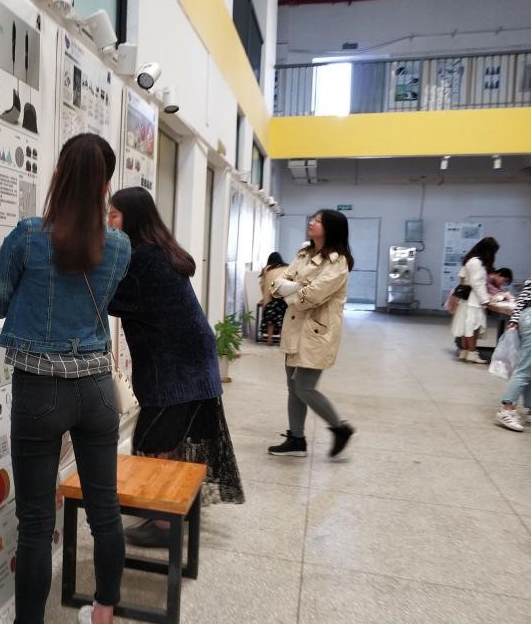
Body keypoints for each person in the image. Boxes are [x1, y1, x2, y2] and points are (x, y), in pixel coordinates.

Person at [0, 134, 131, 624]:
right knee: (105, 510)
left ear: (59, 176)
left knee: (35, 524)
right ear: (105, 185)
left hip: (39, 392)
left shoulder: (29, 236)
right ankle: (103, 613)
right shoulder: (119, 246)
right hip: (96, 391)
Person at [106, 187, 244, 548]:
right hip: (189, 361)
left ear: (132, 218)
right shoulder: (157, 249)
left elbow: (110, 300)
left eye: (114, 214)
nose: (109, 221)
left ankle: (165, 524)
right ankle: (170, 511)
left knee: (153, 440)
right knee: (172, 437)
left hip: (176, 367)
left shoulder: (143, 258)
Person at [266, 210, 355, 459]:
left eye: (318, 221)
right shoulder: (304, 254)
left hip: (316, 332)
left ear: (331, 228)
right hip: (294, 327)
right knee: (293, 388)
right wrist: (297, 287)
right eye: (313, 219)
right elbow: (276, 283)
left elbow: (312, 296)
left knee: (304, 388)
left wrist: (291, 290)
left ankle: (340, 429)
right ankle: (296, 439)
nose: (312, 222)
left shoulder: (338, 262)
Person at [494, 267, 531, 432]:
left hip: (530, 315)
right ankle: (507, 409)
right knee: (527, 366)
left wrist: (515, 318)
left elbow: (525, 294)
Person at [450, 237, 500, 364]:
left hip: (469, 298)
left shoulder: (471, 260)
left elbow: (465, 280)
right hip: (473, 300)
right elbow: (477, 283)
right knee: (473, 326)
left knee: (467, 326)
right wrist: (485, 300)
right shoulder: (476, 262)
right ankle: (472, 353)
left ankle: (465, 351)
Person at [259, 252, 290, 345]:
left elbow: (263, 285)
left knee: (270, 320)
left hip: (272, 299)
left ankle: (269, 339)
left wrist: (264, 299)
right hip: (284, 299)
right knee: (283, 319)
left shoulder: (267, 270)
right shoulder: (287, 268)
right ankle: (281, 340)